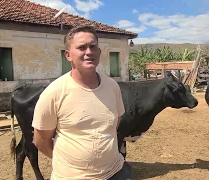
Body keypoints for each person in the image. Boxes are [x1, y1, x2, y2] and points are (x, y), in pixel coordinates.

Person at [32, 25, 133, 180]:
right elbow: (41, 141)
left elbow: (114, 124)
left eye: (93, 46)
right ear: (68, 55)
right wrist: (69, 164)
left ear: (99, 52)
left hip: (116, 172)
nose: (89, 52)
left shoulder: (112, 86)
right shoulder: (54, 93)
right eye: (81, 47)